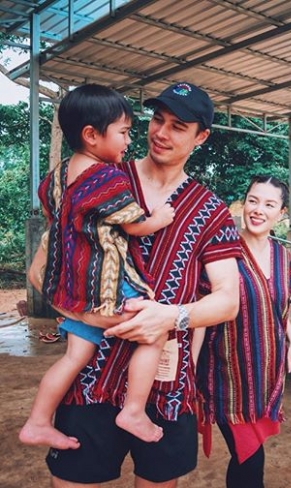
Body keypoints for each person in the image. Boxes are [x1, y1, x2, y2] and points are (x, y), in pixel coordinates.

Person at [28, 81, 242, 487]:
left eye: (178, 126)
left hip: (165, 388)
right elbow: (41, 271)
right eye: (157, 120)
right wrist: (82, 313)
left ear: (202, 137)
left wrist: (168, 317)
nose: (160, 132)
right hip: (90, 379)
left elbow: (227, 301)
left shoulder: (210, 210)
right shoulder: (96, 177)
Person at [20, 84, 176, 450]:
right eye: (123, 132)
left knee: (76, 355)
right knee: (154, 333)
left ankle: (38, 421)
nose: (128, 140)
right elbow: (134, 224)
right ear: (92, 135)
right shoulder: (106, 177)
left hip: (71, 287)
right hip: (107, 286)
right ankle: (133, 410)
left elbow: (51, 214)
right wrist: (161, 217)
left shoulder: (56, 177)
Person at [196, 174, 291, 488]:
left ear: (282, 213)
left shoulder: (283, 257)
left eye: (269, 204)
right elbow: (201, 313)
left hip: (265, 380)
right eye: (253, 201)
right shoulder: (222, 251)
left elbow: (280, 311)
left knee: (248, 458)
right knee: (250, 458)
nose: (258, 210)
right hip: (226, 380)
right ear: (244, 204)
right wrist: (187, 370)